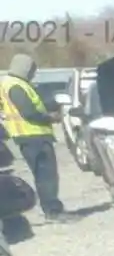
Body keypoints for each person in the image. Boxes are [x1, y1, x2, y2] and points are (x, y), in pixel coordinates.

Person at [1, 54, 66, 217]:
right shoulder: (16, 85)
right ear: (24, 68)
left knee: (42, 174)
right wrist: (51, 117)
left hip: (28, 137)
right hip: (33, 136)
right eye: (31, 70)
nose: (32, 74)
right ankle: (53, 210)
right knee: (46, 175)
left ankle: (50, 208)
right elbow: (29, 112)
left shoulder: (10, 83)